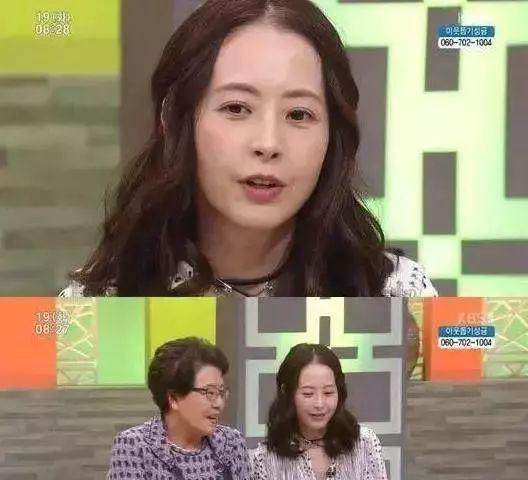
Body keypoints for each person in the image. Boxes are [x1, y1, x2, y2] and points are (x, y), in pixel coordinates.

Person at [60, 0, 437, 298]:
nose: (268, 144)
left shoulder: (395, 294)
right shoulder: (102, 302)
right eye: (237, 109)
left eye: (299, 114)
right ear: (174, 118)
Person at [106, 337, 265, 480]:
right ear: (173, 398)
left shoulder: (231, 444)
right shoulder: (134, 447)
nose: (218, 403)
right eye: (209, 393)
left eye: (221, 393)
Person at [251, 343, 393, 480]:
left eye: (328, 393)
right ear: (287, 393)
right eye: (308, 394)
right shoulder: (264, 460)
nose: (319, 404)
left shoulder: (364, 443)